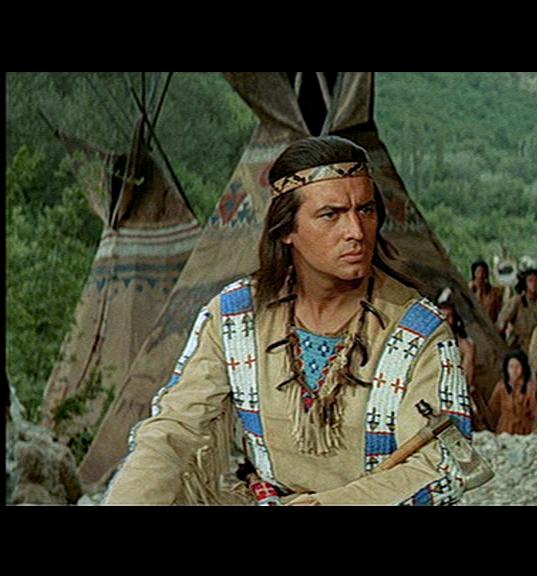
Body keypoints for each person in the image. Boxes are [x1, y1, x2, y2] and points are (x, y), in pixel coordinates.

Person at [104, 136, 473, 506]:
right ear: (286, 230)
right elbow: (175, 428)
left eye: (365, 210)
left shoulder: (419, 331)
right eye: (331, 215)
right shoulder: (235, 317)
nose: (356, 232)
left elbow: (442, 465)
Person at [439, 300, 487, 432]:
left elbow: (466, 376)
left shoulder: (466, 345)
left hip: (458, 392)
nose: (446, 321)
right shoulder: (432, 344)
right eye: (443, 317)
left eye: (449, 317)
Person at [487, 350, 537, 436]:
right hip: (505, 428)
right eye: (511, 366)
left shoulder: (530, 387)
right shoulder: (501, 386)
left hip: (525, 428)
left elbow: (535, 411)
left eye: (518, 366)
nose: (514, 370)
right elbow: (493, 409)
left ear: (524, 367)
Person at [497, 268, 537, 350]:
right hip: (520, 344)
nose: (534, 284)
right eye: (530, 281)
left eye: (536, 280)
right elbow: (503, 319)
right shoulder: (517, 300)